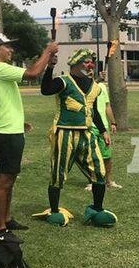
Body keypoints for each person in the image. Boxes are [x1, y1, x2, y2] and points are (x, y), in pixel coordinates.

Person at [0, 33, 59, 242]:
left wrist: (14, 119)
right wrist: (48, 51)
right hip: (6, 134)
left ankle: (7, 219)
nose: (10, 50)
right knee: (4, 180)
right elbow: (32, 73)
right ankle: (0, 230)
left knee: (10, 177)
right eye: (7, 46)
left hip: (8, 130)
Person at [39, 49, 116, 228]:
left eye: (92, 62)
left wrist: (104, 130)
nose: (90, 65)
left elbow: (95, 111)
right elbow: (45, 90)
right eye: (87, 61)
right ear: (75, 63)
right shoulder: (63, 82)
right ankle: (55, 211)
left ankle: (97, 209)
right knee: (58, 173)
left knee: (99, 171)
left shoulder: (95, 86)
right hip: (64, 133)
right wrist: (50, 66)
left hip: (87, 133)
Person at [87, 70, 121, 190]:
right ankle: (92, 181)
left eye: (91, 72)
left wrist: (113, 122)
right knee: (92, 156)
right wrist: (97, 79)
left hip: (103, 127)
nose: (89, 73)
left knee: (107, 156)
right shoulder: (82, 88)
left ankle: (109, 181)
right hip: (89, 126)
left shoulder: (101, 87)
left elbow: (107, 106)